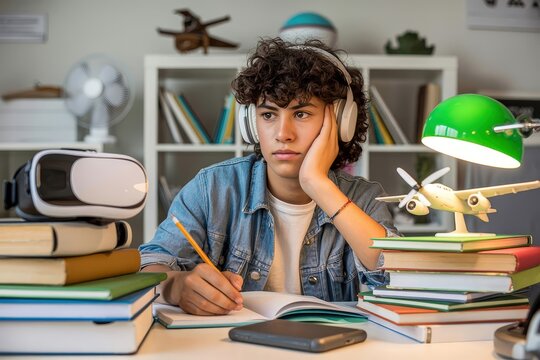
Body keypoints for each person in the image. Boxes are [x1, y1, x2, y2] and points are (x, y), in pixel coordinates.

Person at [139, 38, 398, 316]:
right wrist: (175, 286)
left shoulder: (365, 200)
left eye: (301, 113)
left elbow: (399, 279)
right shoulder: (212, 189)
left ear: (341, 122)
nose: (282, 133)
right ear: (252, 124)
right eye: (268, 114)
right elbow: (151, 265)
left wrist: (317, 184)